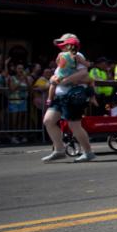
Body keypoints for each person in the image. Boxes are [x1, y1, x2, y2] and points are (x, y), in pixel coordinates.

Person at [41, 33, 97, 163]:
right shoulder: (63, 56)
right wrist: (53, 79)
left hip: (72, 95)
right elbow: (57, 74)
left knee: (74, 125)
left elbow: (84, 73)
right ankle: (59, 150)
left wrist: (65, 81)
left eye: (63, 42)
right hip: (60, 96)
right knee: (48, 121)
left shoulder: (78, 55)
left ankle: (88, 152)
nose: (61, 45)